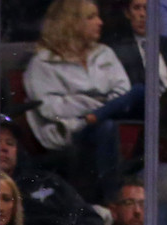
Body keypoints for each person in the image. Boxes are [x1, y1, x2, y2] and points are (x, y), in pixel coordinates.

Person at [23, 0, 143, 198]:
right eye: (91, 17)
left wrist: (94, 108)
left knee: (140, 93)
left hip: (109, 117)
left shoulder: (104, 53)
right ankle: (111, 197)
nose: (100, 22)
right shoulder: (43, 63)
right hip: (70, 128)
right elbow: (49, 108)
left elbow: (122, 91)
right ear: (71, 22)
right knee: (105, 126)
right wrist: (95, 104)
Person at [108, 0, 167, 91]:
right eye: (137, 8)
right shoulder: (118, 52)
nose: (142, 14)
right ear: (127, 13)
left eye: (147, 8)